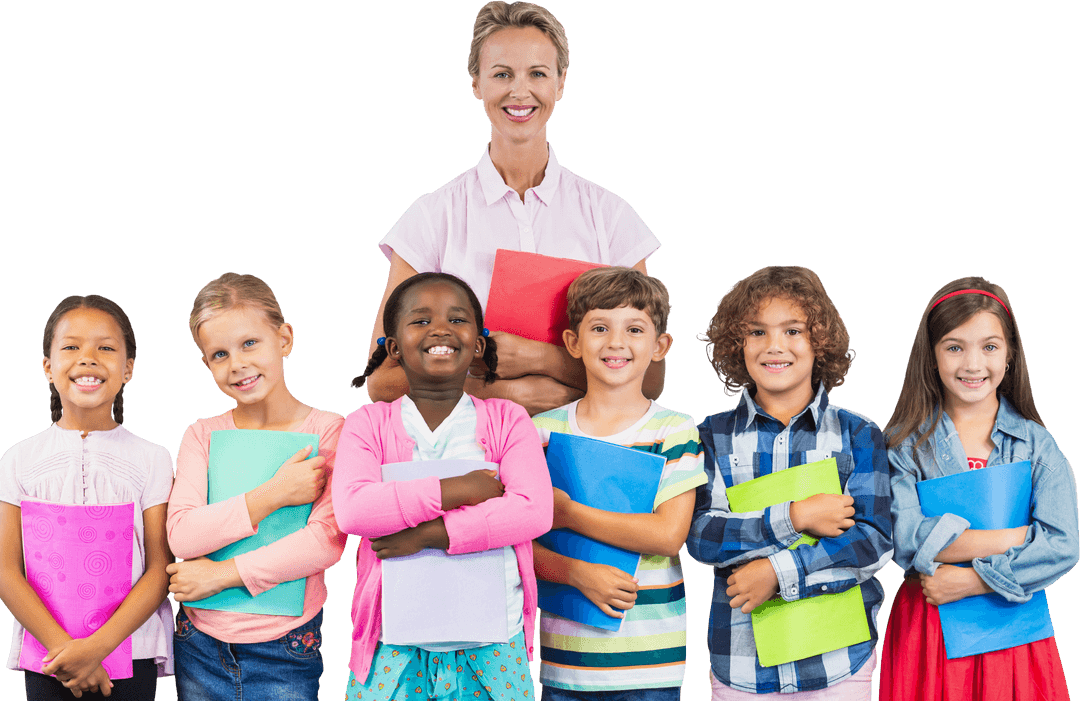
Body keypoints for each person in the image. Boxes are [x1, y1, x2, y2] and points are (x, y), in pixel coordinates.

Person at [366, 0, 663, 415]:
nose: (519, 91)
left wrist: (541, 359)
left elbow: (651, 377)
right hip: (467, 457)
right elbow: (382, 380)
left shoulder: (610, 217)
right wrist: (498, 394)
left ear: (560, 83)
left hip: (581, 459)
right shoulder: (432, 218)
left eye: (538, 74)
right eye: (501, 74)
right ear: (476, 84)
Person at [336, 272, 552, 700]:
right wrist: (460, 490)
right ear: (393, 348)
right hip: (391, 648)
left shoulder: (508, 421)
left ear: (478, 344)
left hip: (493, 646)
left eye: (458, 319)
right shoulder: (368, 424)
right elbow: (355, 510)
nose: (440, 329)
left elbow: (532, 510)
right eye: (420, 321)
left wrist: (428, 535)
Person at [686, 266, 892, 700]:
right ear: (736, 345)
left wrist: (778, 571)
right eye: (757, 332)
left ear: (820, 342)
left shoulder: (858, 433)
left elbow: (873, 541)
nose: (774, 346)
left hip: (839, 662)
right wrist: (797, 517)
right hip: (741, 665)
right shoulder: (712, 435)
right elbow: (703, 536)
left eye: (793, 330)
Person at [879, 276, 1077, 701]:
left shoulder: (1037, 444)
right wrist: (1017, 538)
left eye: (989, 346)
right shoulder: (902, 445)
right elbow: (906, 541)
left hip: (1015, 630)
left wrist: (975, 583)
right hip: (931, 627)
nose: (972, 364)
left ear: (1010, 356)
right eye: (954, 347)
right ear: (931, 357)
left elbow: (1062, 545)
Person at [166, 273, 346, 699]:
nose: (238, 365)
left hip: (286, 643)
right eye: (219, 354)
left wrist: (222, 575)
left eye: (250, 344)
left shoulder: (330, 430)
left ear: (284, 339)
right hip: (199, 643)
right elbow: (182, 535)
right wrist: (274, 495)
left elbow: (325, 542)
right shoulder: (201, 435)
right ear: (206, 364)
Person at [531, 267, 706, 699]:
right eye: (599, 327)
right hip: (565, 662)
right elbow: (518, 542)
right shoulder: (541, 431)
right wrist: (576, 573)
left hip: (650, 665)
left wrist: (568, 513)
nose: (615, 342)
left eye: (634, 329)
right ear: (573, 342)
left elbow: (667, 535)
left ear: (660, 345)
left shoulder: (674, 430)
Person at [0, 295, 173, 699]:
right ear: (48, 367)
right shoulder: (18, 460)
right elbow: (7, 570)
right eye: (72, 346)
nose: (88, 358)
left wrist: (97, 648)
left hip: (132, 655)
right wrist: (66, 651)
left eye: (106, 348)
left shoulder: (153, 458)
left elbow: (159, 567)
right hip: (49, 658)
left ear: (128, 368)